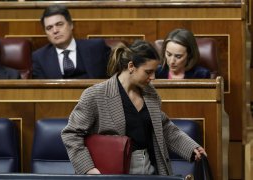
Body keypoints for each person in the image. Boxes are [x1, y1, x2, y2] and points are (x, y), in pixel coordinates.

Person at [61, 40, 207, 175]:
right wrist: (88, 169)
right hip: (112, 171)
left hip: (150, 168)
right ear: (131, 66)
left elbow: (163, 126)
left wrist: (190, 147)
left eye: (154, 71)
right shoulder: (95, 95)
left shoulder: (150, 93)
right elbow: (71, 134)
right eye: (148, 72)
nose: (153, 77)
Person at [32, 5, 111, 79]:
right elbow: (41, 91)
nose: (55, 31)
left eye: (59, 24)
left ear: (71, 25)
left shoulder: (96, 47)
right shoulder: (39, 58)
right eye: (49, 28)